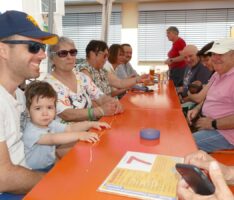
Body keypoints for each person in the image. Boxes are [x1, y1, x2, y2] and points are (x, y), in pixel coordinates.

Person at [0, 10, 58, 198]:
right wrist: (56, 181)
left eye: (43, 47)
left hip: (24, 178)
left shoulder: (18, 94)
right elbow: (4, 177)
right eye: (33, 47)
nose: (42, 55)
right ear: (3, 50)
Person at [23, 81, 109, 170]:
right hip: (34, 171)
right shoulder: (31, 131)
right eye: (38, 108)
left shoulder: (51, 124)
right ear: (28, 112)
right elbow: (52, 138)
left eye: (49, 107)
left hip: (49, 165)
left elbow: (70, 128)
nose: (45, 113)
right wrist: (79, 135)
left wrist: (90, 124)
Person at [45, 36, 123, 124]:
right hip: (66, 136)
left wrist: (113, 102)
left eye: (73, 52)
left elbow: (100, 96)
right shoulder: (48, 84)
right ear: (52, 58)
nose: (69, 57)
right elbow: (66, 114)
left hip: (90, 131)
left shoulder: (82, 77)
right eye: (63, 53)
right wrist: (100, 111)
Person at [187, 38, 234, 152]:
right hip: (211, 126)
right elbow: (208, 97)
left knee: (185, 144)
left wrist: (213, 123)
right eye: (213, 54)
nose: (215, 58)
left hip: (225, 134)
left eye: (220, 54)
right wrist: (197, 109)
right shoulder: (217, 74)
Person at [79, 40, 146, 96]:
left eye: (107, 55)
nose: (106, 59)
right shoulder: (85, 71)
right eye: (105, 55)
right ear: (92, 54)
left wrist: (138, 79)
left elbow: (120, 83)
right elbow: (93, 97)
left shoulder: (101, 70)